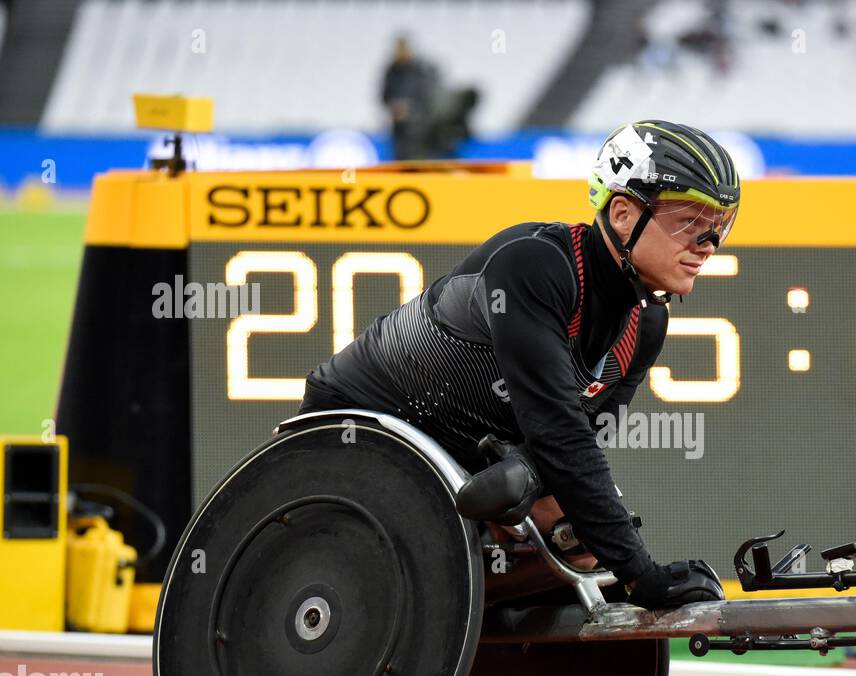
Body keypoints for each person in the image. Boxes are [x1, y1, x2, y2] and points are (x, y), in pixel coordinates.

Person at [298, 121, 741, 609]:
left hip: (466, 448)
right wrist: (643, 576)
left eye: (719, 226)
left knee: (581, 541)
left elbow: (577, 444)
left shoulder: (647, 325)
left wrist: (529, 475)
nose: (708, 244)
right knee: (572, 528)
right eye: (689, 222)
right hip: (356, 424)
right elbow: (560, 436)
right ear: (621, 213)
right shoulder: (535, 266)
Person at [381, 35, 440, 161]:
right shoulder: (391, 71)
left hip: (421, 129)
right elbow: (384, 96)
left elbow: (428, 99)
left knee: (419, 160)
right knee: (400, 160)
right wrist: (394, 109)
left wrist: (410, 111)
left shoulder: (421, 71)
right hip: (398, 129)